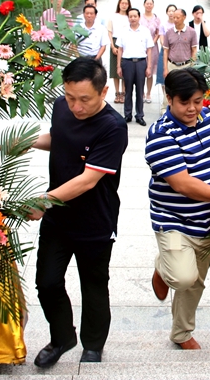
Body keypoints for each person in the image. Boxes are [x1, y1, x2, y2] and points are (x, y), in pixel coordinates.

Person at [30, 58, 128, 367]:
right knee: (46, 282)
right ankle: (62, 338)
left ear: (104, 91)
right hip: (59, 219)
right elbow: (58, 139)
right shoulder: (62, 106)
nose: (76, 106)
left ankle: (93, 345)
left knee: (94, 284)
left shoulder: (113, 127)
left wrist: (44, 200)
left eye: (84, 99)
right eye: (70, 97)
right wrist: (22, 142)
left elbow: (88, 180)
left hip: (94, 221)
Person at [144, 68, 210, 350]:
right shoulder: (160, 135)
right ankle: (163, 267)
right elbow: (181, 184)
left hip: (206, 220)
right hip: (173, 218)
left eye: (198, 100)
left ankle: (181, 333)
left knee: (195, 284)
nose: (193, 108)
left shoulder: (206, 118)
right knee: (182, 276)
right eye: (185, 102)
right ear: (169, 98)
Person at [116, 7, 154, 127]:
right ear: (128, 17)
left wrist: (149, 67)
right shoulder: (123, 31)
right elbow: (120, 49)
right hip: (127, 63)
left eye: (135, 16)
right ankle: (127, 115)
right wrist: (118, 66)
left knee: (140, 90)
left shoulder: (145, 31)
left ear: (139, 17)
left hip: (141, 63)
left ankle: (139, 115)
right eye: (130, 16)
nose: (133, 18)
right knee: (128, 91)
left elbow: (149, 50)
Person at [108, 0, 131, 104]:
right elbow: (110, 32)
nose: (124, 5)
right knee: (115, 70)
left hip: (126, 44)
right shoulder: (113, 16)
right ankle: (117, 93)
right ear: (119, 4)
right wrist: (112, 46)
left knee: (125, 70)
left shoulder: (130, 17)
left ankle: (123, 93)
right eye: (122, 3)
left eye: (126, 3)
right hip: (115, 42)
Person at [163, 9, 197, 79]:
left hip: (186, 66)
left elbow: (194, 50)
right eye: (174, 17)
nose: (175, 20)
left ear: (184, 17)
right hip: (172, 66)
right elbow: (166, 51)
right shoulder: (168, 33)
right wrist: (165, 68)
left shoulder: (192, 32)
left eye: (177, 18)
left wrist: (192, 66)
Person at [140, 0, 161, 104]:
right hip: (141, 47)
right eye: (147, 4)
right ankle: (141, 92)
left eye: (150, 4)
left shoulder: (156, 18)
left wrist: (152, 42)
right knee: (141, 70)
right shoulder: (139, 17)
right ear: (144, 5)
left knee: (150, 71)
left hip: (153, 47)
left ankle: (148, 92)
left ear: (153, 5)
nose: (149, 5)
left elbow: (158, 32)